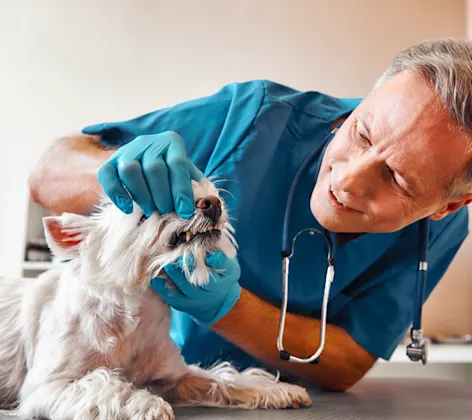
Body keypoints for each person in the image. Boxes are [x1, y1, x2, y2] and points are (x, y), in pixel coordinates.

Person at [29, 38, 472, 392]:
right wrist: (123, 173)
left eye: (396, 178)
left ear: (447, 206)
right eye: (361, 131)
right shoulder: (253, 117)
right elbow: (47, 175)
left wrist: (227, 307)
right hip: (137, 380)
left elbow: (349, 362)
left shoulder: (440, 230)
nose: (349, 179)